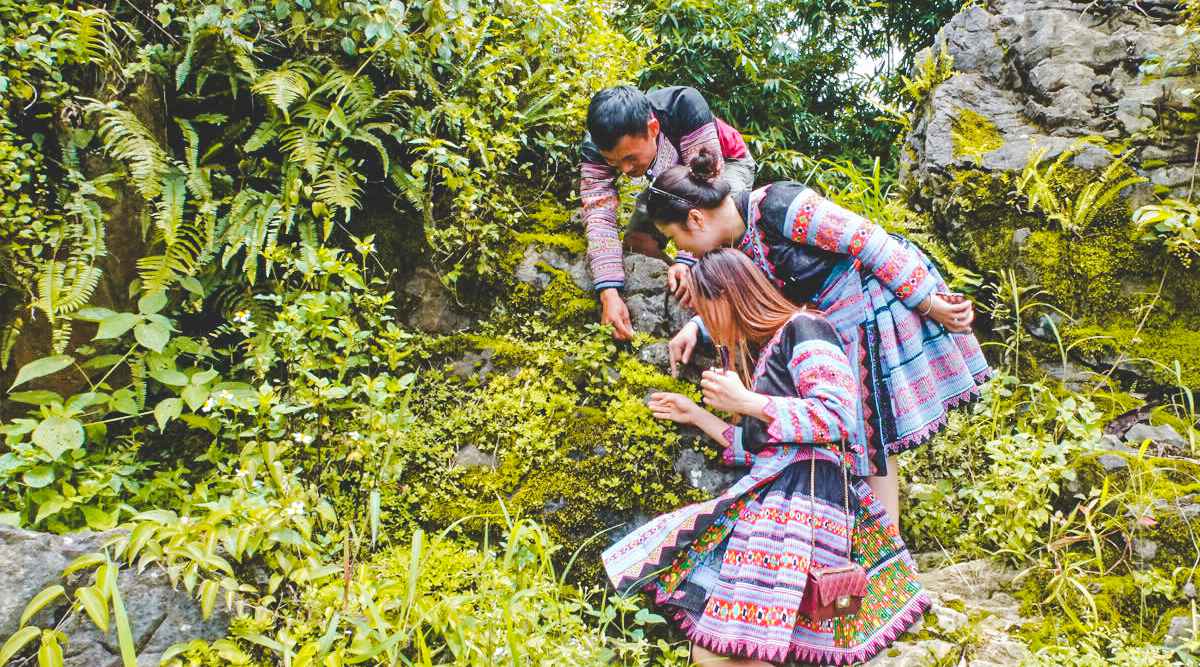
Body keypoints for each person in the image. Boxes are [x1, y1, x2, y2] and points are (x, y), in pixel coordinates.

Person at [603, 249, 929, 666]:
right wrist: (698, 415)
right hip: (783, 500)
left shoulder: (806, 328)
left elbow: (838, 417)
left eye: (705, 310)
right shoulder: (773, 348)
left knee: (738, 649)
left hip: (803, 506)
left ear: (726, 296)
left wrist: (747, 400)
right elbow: (769, 445)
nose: (707, 326)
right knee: (721, 647)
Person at [644, 148, 992, 526]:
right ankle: (873, 544)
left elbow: (868, 241)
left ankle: (887, 548)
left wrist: (928, 302)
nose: (682, 251)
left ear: (695, 218)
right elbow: (751, 300)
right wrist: (699, 327)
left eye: (675, 237)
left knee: (871, 434)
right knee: (855, 435)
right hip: (825, 331)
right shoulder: (735, 243)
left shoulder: (780, 205)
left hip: (869, 309)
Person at [579, 85, 757, 341]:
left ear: (652, 129)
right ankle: (680, 287)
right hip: (664, 177)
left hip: (722, 166)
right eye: (614, 162)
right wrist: (609, 291)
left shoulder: (683, 106)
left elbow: (704, 189)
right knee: (638, 243)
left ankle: (731, 308)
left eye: (630, 158)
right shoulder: (595, 145)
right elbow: (599, 217)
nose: (626, 170)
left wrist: (689, 260)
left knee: (720, 236)